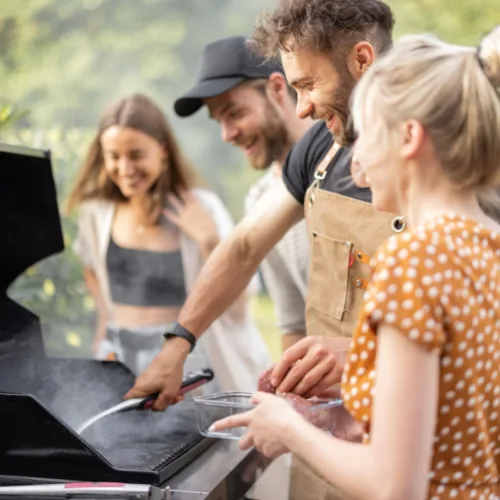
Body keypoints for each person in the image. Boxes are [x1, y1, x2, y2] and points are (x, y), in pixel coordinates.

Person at [127, 2, 403, 499]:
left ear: (361, 59)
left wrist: (367, 354)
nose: (300, 110)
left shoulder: (444, 155)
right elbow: (245, 246)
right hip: (327, 442)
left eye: (307, 86)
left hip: (407, 452)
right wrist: (178, 344)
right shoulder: (321, 148)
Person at [213, 28, 500, 500]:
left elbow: (394, 486)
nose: (358, 163)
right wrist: (344, 420)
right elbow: (460, 414)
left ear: (409, 138)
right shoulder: (487, 246)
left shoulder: (413, 259)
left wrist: (288, 430)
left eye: (366, 137)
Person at [67, 93, 270, 392]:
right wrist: (103, 325)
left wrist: (208, 239)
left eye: (136, 155)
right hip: (117, 357)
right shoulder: (97, 213)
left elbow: (240, 300)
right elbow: (92, 269)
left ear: (162, 150)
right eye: (113, 156)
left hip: (182, 361)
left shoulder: (201, 206)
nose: (125, 168)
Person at [174, 35, 314, 353]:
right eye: (219, 121)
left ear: (278, 88)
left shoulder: (349, 166)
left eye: (234, 113)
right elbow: (294, 324)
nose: (227, 135)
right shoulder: (258, 200)